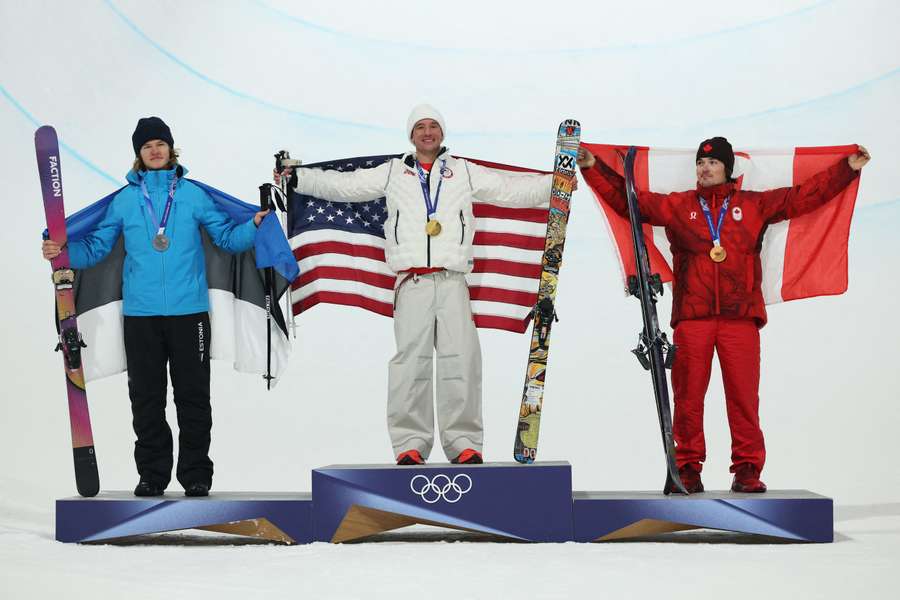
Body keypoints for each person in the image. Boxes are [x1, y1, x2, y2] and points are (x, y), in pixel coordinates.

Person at [577, 137, 870, 493]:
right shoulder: (678, 206)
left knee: (743, 398)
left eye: (713, 163)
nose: (705, 168)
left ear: (728, 168)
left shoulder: (754, 205)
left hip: (740, 318)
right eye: (701, 163)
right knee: (688, 399)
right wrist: (593, 167)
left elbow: (803, 196)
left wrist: (845, 169)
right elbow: (630, 202)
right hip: (692, 317)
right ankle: (686, 469)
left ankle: (747, 469)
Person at [278, 104, 553, 465]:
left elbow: (508, 190)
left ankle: (464, 444)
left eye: (434, 126)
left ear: (442, 133)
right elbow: (345, 186)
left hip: (452, 280)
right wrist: (298, 177)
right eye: (420, 127)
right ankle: (410, 443)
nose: (427, 132)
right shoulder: (393, 172)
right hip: (412, 282)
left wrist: (557, 184)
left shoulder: (463, 171)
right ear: (411, 135)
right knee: (411, 364)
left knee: (463, 361)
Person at [42, 117, 269, 497]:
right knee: (146, 399)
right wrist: (61, 254)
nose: (155, 150)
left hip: (190, 314)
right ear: (139, 154)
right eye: (147, 146)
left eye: (161, 143)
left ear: (171, 148)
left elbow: (227, 239)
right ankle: (152, 475)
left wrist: (256, 226)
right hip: (141, 316)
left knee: (193, 398)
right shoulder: (125, 201)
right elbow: (97, 248)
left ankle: (196, 474)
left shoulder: (194, 196)